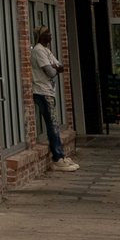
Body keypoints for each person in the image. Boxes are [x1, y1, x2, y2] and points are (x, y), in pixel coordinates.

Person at [31, 25, 79, 172]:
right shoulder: (39, 50)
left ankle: (61, 155)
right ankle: (58, 157)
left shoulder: (47, 50)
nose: (50, 35)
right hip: (42, 90)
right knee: (53, 124)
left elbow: (61, 66)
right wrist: (54, 68)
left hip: (49, 91)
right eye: (47, 33)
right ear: (40, 36)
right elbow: (51, 72)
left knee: (55, 123)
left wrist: (55, 67)